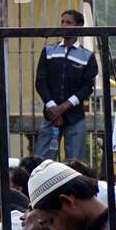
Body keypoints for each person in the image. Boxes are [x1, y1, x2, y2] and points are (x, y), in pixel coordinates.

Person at [34, 9, 97, 162]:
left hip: (75, 117)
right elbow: (41, 82)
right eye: (62, 21)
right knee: (42, 162)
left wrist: (63, 108)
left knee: (75, 164)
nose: (63, 25)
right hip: (51, 116)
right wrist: (53, 108)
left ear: (79, 26)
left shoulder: (87, 56)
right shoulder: (49, 51)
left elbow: (87, 87)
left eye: (68, 22)